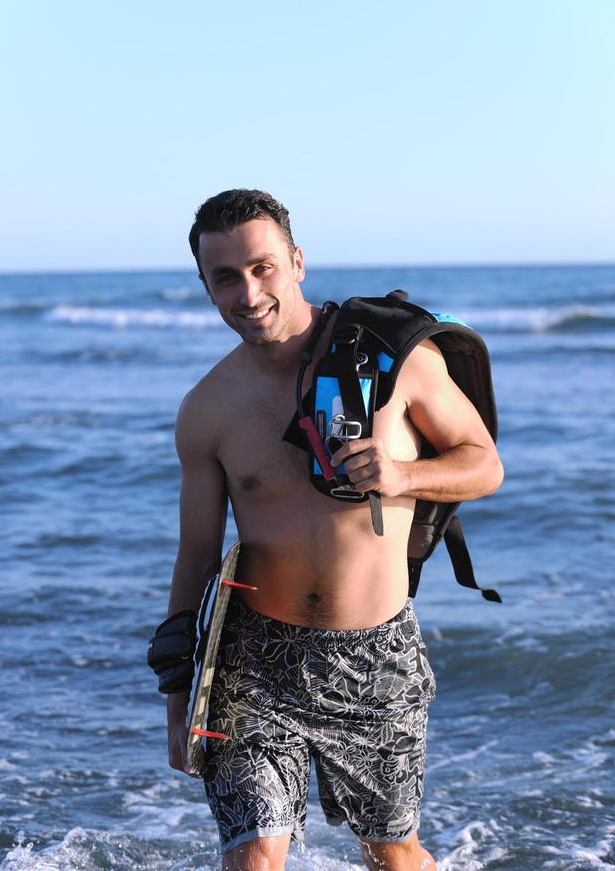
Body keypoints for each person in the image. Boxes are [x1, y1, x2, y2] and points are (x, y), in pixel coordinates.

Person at [165, 189, 503, 871]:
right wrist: (178, 697)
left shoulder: (391, 362)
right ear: (206, 286)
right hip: (254, 660)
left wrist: (403, 475)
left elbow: (483, 464)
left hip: (374, 654)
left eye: (262, 267)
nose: (249, 291)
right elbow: (197, 556)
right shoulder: (207, 409)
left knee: (393, 855)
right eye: (225, 276)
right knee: (254, 855)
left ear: (296, 262)